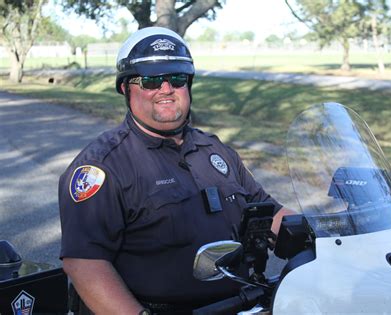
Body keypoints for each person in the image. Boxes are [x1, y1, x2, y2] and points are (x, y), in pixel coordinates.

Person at [58, 26, 292, 315]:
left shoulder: (216, 150)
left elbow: (271, 211)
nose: (166, 89)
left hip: (245, 302)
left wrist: (328, 232)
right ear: (125, 88)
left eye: (177, 78)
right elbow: (84, 263)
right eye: (151, 81)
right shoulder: (102, 166)